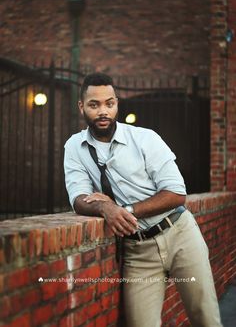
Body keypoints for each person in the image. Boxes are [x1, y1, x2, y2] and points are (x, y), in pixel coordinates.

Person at [64, 73, 222, 327]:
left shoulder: (146, 138)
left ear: (116, 103)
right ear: (81, 106)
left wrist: (124, 210)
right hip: (137, 252)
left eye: (109, 103)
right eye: (94, 105)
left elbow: (175, 193)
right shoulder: (74, 147)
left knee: (206, 318)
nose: (103, 111)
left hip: (180, 235)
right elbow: (78, 198)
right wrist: (106, 207)